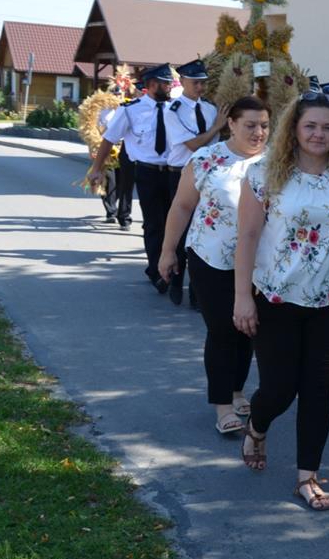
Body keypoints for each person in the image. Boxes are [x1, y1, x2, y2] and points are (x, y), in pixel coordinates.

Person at [232, 91, 329, 512]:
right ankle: (258, 426)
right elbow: (248, 237)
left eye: (328, 127)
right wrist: (242, 298)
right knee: (278, 389)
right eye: (310, 125)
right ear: (294, 128)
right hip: (277, 298)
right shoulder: (264, 174)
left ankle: (307, 477)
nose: (318, 134)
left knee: (318, 390)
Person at [157, 97, 271, 435]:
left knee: (248, 329)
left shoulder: (277, 163)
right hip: (211, 259)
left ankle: (237, 390)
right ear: (231, 124)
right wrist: (167, 251)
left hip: (261, 263)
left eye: (264, 125)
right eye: (250, 125)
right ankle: (222, 405)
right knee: (222, 330)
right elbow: (181, 206)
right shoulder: (207, 159)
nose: (258, 132)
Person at [88, 64, 177, 292]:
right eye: (166, 83)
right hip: (147, 173)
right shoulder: (130, 110)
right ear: (152, 85)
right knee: (154, 223)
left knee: (175, 223)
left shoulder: (176, 108)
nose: (170, 87)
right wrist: (97, 169)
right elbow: (109, 139)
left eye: (170, 83)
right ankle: (156, 271)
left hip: (175, 173)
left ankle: (172, 268)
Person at [162, 59, 229, 307]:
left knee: (202, 230)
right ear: (183, 82)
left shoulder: (211, 109)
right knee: (181, 231)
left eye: (203, 83)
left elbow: (217, 145)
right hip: (181, 173)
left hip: (209, 175)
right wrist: (217, 127)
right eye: (195, 83)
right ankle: (176, 281)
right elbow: (193, 145)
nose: (200, 88)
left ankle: (196, 292)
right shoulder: (174, 111)